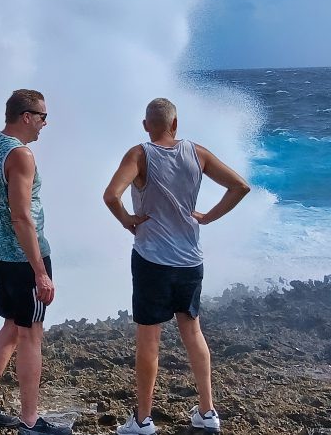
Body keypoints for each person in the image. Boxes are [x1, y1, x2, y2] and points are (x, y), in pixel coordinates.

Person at [103, 98, 250, 434]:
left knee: (148, 340)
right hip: (190, 259)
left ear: (145, 125)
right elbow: (240, 186)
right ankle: (208, 412)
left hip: (152, 259)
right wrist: (208, 217)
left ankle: (142, 420)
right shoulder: (197, 153)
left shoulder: (139, 154)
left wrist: (128, 220)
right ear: (175, 123)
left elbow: (111, 195)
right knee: (192, 331)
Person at [0, 89, 70, 435]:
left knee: (13, 325)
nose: (45, 124)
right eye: (42, 117)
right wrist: (40, 271)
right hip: (24, 256)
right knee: (30, 335)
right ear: (26, 116)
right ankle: (29, 421)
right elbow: (21, 218)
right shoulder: (21, 156)